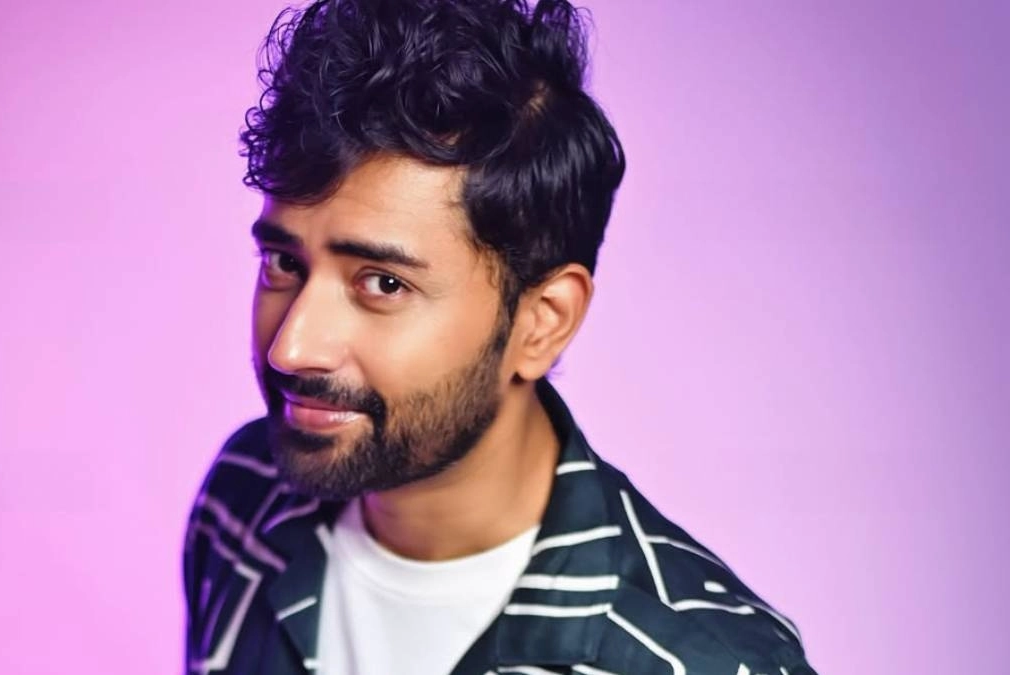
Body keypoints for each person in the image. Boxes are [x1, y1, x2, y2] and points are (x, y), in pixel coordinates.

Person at [183, 1, 817, 673]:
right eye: (283, 263)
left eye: (384, 283)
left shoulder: (706, 662)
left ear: (543, 321)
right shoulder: (243, 499)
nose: (291, 347)